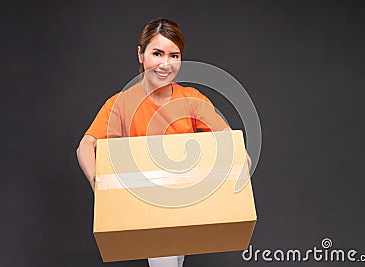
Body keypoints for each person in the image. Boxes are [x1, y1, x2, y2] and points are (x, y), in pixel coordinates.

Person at [76, 18, 251, 267]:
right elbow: (85, 146)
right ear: (140, 54)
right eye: (157, 53)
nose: (165, 64)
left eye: (174, 55)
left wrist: (239, 155)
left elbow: (225, 134)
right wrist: (99, 184)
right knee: (165, 258)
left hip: (187, 203)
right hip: (150, 207)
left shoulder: (191, 99)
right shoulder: (121, 104)